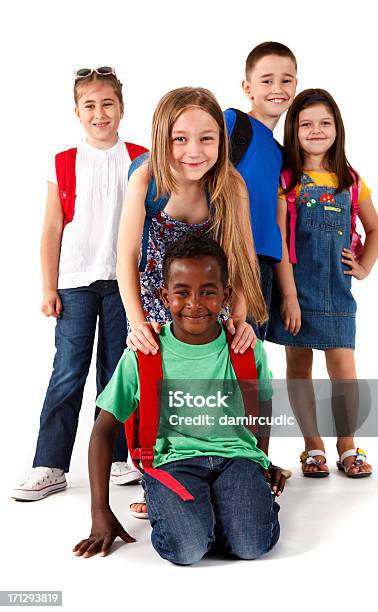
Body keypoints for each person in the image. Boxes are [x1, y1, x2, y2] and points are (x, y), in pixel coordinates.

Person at [73, 234, 284, 564]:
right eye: (182, 292)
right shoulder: (145, 354)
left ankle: (218, 510)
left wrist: (262, 460)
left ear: (226, 295)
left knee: (252, 546)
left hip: (237, 459)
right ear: (164, 295)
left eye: (208, 292)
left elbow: (265, 404)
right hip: (173, 462)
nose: (195, 304)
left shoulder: (244, 348)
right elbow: (103, 430)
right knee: (186, 551)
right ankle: (190, 509)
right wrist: (100, 512)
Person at [115, 87, 268, 516]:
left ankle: (228, 463)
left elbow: (242, 254)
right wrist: (137, 322)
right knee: (156, 387)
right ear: (163, 139)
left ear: (221, 139)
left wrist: (239, 317)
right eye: (180, 139)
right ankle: (155, 475)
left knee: (208, 386)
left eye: (206, 138)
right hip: (156, 294)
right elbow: (125, 254)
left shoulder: (230, 185)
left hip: (208, 294)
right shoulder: (146, 178)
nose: (194, 151)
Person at [11, 67, 147, 502]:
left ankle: (118, 456)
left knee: (117, 371)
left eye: (108, 103)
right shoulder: (64, 161)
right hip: (75, 281)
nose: (100, 112)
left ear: (121, 108)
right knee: (68, 371)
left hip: (124, 283)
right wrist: (48, 286)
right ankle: (49, 463)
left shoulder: (142, 158)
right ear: (77, 112)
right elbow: (52, 228)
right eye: (90, 105)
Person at [267, 89, 378, 477]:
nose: (316, 130)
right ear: (293, 130)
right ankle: (311, 445)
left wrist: (363, 267)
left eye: (325, 123)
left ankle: (347, 445)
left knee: (343, 369)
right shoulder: (287, 180)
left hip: (337, 292)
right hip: (295, 291)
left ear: (338, 128)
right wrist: (289, 297)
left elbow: (376, 229)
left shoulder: (350, 180)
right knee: (298, 366)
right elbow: (281, 242)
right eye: (306, 124)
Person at [224, 41, 297, 339]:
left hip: (263, 268)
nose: (277, 88)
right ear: (247, 87)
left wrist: (289, 295)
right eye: (266, 80)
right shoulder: (233, 123)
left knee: (249, 361)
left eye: (286, 80)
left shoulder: (282, 154)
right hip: (227, 258)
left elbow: (277, 229)